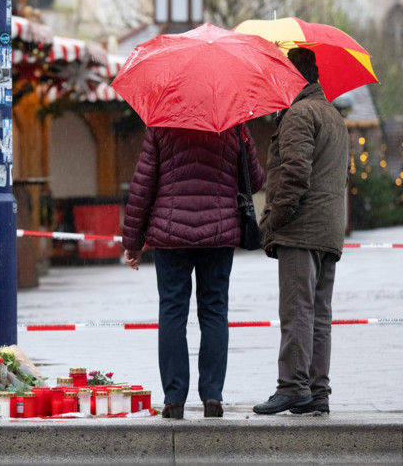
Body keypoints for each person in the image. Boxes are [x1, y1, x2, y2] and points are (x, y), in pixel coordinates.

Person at [122, 123, 265, 419]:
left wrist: (133, 241)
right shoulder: (232, 122)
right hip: (219, 231)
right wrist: (243, 141)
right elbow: (255, 179)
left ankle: (174, 399)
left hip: (171, 233)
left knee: (172, 311)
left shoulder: (162, 123)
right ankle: (212, 396)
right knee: (214, 310)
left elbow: (143, 184)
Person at [253, 47, 349, 416]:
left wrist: (273, 220)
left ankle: (292, 386)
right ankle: (316, 390)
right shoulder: (333, 116)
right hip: (328, 230)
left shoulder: (299, 115)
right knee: (319, 313)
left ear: (294, 78)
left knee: (297, 310)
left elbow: (294, 174)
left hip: (300, 230)